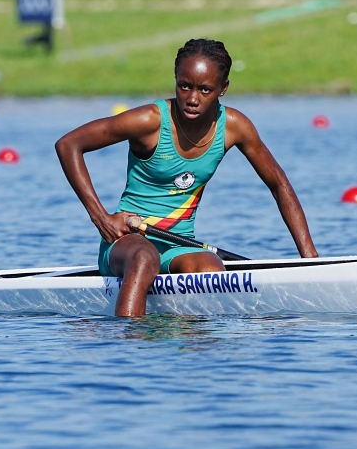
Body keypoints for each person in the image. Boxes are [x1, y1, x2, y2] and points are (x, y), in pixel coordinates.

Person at [55, 39, 318, 317]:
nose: (193, 98)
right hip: (127, 243)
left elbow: (278, 184)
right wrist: (101, 218)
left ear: (223, 88)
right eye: (185, 86)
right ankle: (126, 348)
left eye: (205, 90)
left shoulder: (234, 127)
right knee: (145, 259)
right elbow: (69, 145)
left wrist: (311, 261)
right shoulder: (150, 121)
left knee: (212, 270)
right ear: (176, 81)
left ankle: (190, 343)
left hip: (180, 245)